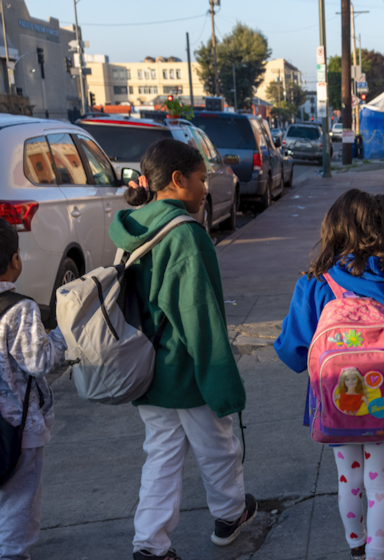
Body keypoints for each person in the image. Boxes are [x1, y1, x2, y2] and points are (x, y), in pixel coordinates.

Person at [110, 139, 256, 560]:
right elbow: (200, 316)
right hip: (187, 369)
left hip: (145, 369)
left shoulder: (133, 226)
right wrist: (223, 381)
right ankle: (230, 514)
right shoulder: (185, 235)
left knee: (160, 458)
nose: (206, 187)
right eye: (201, 178)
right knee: (218, 447)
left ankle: (150, 544)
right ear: (177, 180)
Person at [275, 189, 384, 560]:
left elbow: (292, 352)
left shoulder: (315, 282)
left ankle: (356, 547)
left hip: (335, 404)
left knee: (349, 478)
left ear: (333, 228)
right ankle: (377, 554)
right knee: (380, 483)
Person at [0, 219, 67, 560]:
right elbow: (38, 361)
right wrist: (62, 336)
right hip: (16, 426)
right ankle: (12, 553)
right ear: (15, 261)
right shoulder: (19, 309)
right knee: (19, 496)